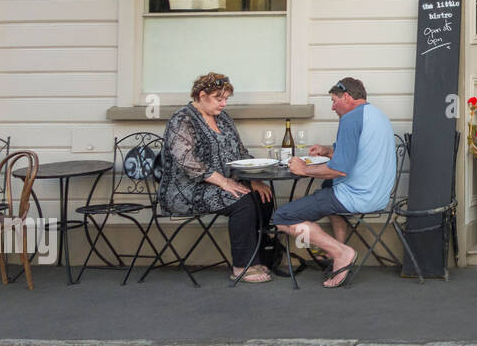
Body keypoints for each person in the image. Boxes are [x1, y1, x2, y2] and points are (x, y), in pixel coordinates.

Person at [277, 77, 396, 288]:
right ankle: (339, 251)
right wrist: (328, 150)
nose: (332, 107)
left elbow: (339, 170)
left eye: (334, 101)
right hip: (378, 195)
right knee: (326, 186)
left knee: (282, 217)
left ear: (347, 97)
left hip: (357, 196)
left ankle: (340, 252)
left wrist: (303, 169)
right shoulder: (376, 115)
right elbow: (359, 155)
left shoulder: (350, 119)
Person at [159, 72, 275, 283]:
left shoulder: (224, 119)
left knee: (263, 197)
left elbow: (240, 153)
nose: (223, 103)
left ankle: (258, 257)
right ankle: (241, 267)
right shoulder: (182, 119)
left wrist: (254, 179)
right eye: (218, 98)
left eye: (226, 99)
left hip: (220, 184)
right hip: (186, 189)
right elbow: (186, 161)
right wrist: (224, 182)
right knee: (243, 203)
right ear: (202, 95)